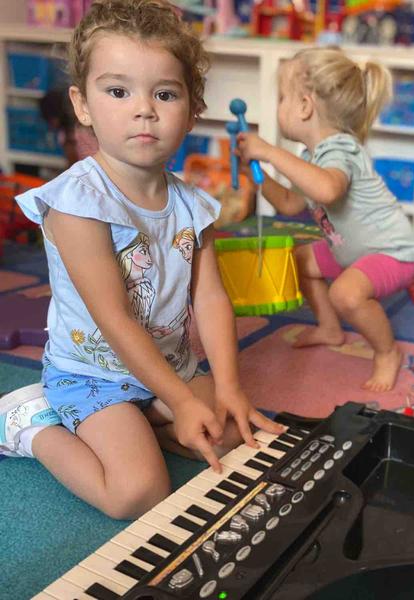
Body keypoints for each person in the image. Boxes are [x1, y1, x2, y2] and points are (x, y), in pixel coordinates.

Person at [0, 0, 285, 520]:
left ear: (193, 110)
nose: (144, 109)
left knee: (237, 442)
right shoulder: (77, 203)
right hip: (93, 375)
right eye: (118, 91)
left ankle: (151, 417)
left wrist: (228, 387)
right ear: (82, 105)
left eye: (165, 94)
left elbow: (210, 298)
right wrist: (183, 401)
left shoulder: (194, 205)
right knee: (138, 491)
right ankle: (31, 425)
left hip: (168, 364)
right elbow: (114, 320)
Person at [236, 47, 414, 392]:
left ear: (305, 106)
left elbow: (328, 190)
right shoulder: (311, 155)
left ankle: (387, 352)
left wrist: (270, 152)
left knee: (346, 294)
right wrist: (256, 175)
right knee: (301, 259)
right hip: (350, 250)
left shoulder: (340, 148)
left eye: (282, 98)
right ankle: (329, 328)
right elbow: (291, 203)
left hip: (392, 252)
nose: (278, 106)